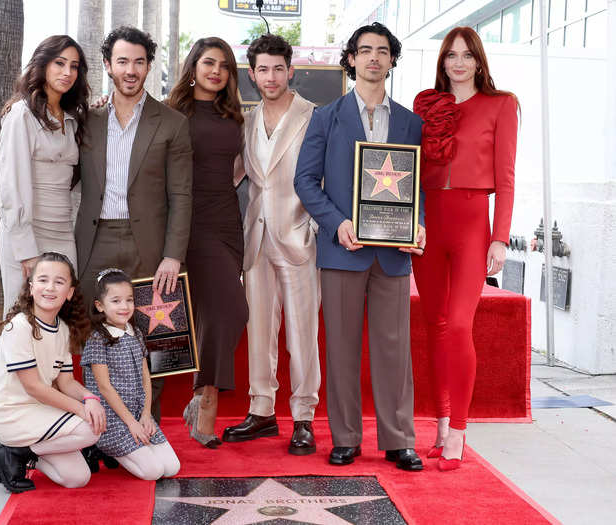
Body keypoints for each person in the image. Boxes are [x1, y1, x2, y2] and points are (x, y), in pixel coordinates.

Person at [294, 22, 426, 471]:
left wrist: (418, 224)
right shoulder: (325, 117)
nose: (374, 57)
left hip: (394, 254)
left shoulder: (410, 122)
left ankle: (398, 439)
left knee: (394, 349)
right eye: (365, 50)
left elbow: (418, 187)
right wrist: (336, 224)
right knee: (342, 349)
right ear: (350, 59)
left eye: (382, 51)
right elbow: (305, 181)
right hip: (342, 250)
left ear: (392, 60)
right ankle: (346, 438)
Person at [412, 27, 518, 471]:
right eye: (450, 55)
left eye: (466, 55)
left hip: (475, 224)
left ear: (479, 61)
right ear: (443, 62)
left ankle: (459, 431)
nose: (458, 63)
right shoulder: (426, 108)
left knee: (458, 326)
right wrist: (408, 225)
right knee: (435, 325)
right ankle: (438, 428)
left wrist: (500, 236)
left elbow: (508, 177)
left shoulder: (502, 105)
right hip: (428, 224)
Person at [75, 26, 193, 422]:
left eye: (139, 62)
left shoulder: (172, 124)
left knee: (155, 340)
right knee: (94, 339)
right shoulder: (85, 121)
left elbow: (181, 196)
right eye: (122, 61)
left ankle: (148, 426)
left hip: (152, 247)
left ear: (148, 66)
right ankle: (100, 431)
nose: (131, 70)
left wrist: (173, 256)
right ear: (108, 65)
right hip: (95, 242)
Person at [222, 34, 320, 455]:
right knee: (259, 329)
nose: (271, 76)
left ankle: (303, 417)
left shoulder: (314, 116)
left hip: (299, 237)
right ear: (252, 75)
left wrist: (314, 226)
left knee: (303, 334)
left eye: (279, 68)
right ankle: (261, 410)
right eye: (263, 69)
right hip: (256, 239)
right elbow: (231, 175)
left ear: (291, 71)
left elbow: (329, 177)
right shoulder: (245, 120)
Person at [165, 37, 249, 448]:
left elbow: (239, 169)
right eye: (208, 62)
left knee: (219, 312)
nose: (216, 71)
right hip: (190, 223)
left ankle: (202, 395)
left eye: (224, 66)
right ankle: (206, 397)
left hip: (229, 222)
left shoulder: (234, 115)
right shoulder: (170, 112)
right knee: (233, 308)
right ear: (193, 66)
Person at [0, 252, 106, 493]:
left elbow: (67, 382)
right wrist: (82, 410)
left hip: (39, 413)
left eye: (59, 282)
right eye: (42, 280)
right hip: (11, 413)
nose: (50, 288)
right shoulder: (19, 326)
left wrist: (90, 399)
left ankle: (18, 451)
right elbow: (34, 388)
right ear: (31, 288)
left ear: (69, 292)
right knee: (89, 428)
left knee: (77, 478)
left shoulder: (62, 330)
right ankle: (11, 449)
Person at [0, 35, 90, 314]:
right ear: (42, 65)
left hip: (64, 231)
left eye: (74, 66)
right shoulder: (21, 115)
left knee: (62, 320)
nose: (67, 72)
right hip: (28, 232)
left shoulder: (73, 117)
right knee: (22, 320)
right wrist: (25, 248)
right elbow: (10, 186)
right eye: (59, 63)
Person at [81, 268, 180, 479]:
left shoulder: (135, 333)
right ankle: (100, 446)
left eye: (129, 300)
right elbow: (104, 387)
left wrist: (145, 416)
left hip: (138, 413)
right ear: (100, 306)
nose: (124, 306)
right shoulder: (98, 338)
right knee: (153, 472)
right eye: (116, 301)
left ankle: (135, 449)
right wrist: (131, 423)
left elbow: (146, 378)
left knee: (172, 468)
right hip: (115, 419)